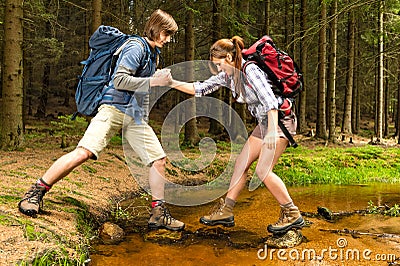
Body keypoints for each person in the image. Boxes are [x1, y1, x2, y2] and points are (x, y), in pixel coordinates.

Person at [18, 9, 185, 232]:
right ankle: (35, 192)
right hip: (112, 109)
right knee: (83, 153)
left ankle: (158, 213)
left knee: (158, 160)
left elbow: (143, 88)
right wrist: (153, 82)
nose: (168, 39)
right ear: (155, 28)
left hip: (134, 116)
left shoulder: (154, 54)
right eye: (166, 33)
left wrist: (147, 105)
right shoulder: (136, 47)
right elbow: (120, 80)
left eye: (170, 35)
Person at [170, 36, 304, 234]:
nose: (217, 69)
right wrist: (170, 81)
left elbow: (270, 102)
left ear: (231, 57)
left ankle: (292, 214)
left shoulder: (250, 70)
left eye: (219, 64)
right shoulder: (229, 75)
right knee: (241, 164)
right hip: (265, 123)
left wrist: (270, 138)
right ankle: (226, 211)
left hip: (280, 122)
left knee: (263, 171)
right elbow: (199, 88)